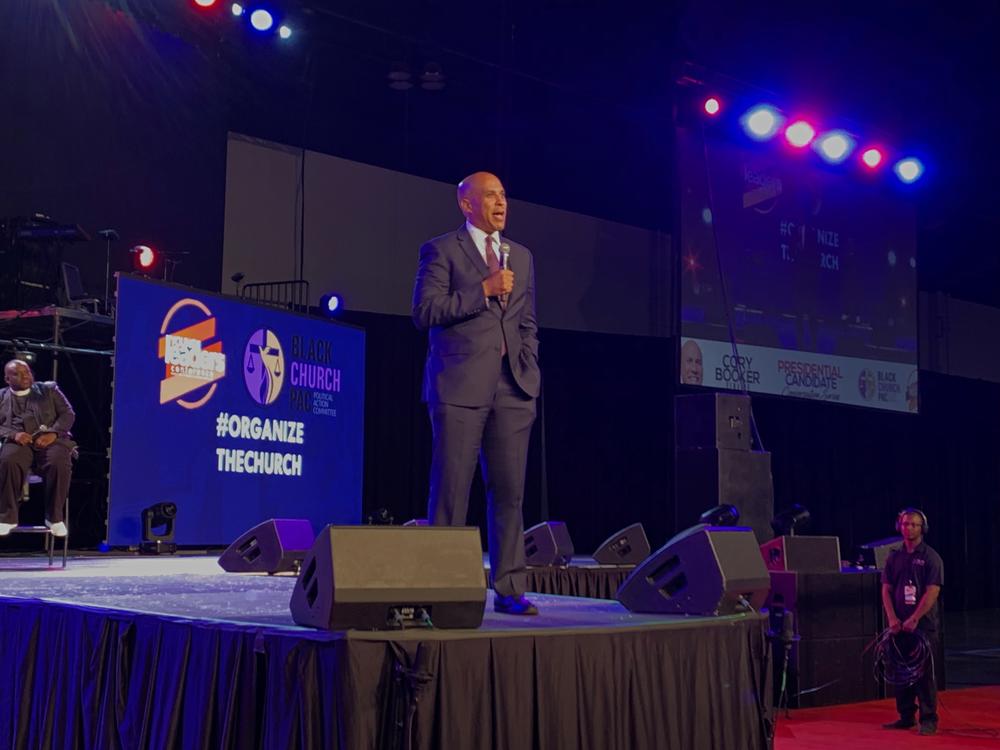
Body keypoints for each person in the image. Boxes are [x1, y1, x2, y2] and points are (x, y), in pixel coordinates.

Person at [412, 171, 541, 615]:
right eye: (490, 195)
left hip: (513, 386)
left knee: (509, 492)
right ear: (466, 204)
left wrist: (529, 362)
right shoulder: (442, 249)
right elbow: (425, 311)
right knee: (451, 493)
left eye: (503, 194)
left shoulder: (520, 256)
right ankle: (440, 590)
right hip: (459, 386)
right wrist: (482, 290)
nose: (500, 202)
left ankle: (508, 588)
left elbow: (527, 322)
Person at [881, 508, 943, 736]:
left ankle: (928, 719)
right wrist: (892, 618)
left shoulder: (930, 558)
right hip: (898, 626)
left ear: (922, 528)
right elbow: (886, 590)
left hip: (922, 627)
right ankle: (905, 715)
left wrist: (915, 618)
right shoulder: (894, 557)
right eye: (906, 524)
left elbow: (932, 591)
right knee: (901, 673)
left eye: (914, 525)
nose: (909, 528)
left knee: (923, 675)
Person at [0, 359, 76, 537]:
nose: (25, 376)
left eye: (27, 371)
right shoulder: (2, 396)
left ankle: (54, 517)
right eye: (18, 373)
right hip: (19, 441)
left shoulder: (49, 390)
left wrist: (54, 433)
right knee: (8, 460)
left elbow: (68, 414)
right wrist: (13, 435)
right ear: (7, 379)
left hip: (50, 439)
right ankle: (7, 517)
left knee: (59, 463)